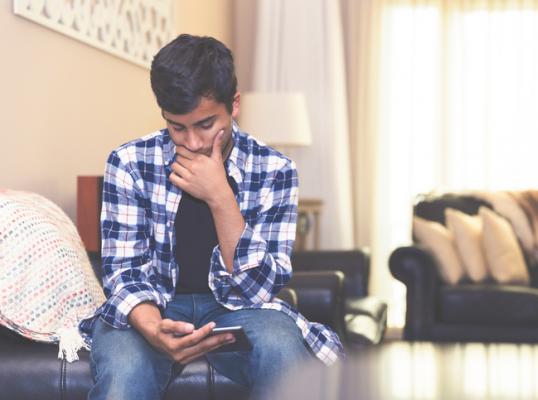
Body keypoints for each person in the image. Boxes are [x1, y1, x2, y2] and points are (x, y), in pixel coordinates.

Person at [78, 34, 343, 400]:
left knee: (283, 349)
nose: (193, 142)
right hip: (154, 304)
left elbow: (259, 289)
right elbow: (123, 274)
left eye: (205, 124)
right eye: (177, 127)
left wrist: (220, 197)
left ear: (234, 105)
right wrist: (153, 328)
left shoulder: (275, 170)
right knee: (124, 372)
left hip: (238, 307)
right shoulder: (128, 163)